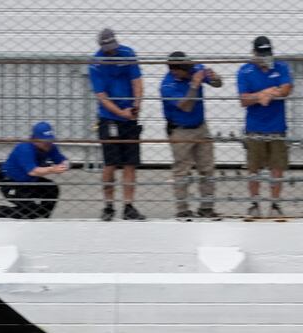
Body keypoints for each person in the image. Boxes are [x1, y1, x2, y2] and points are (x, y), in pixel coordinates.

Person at [90, 27, 145, 221]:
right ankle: (108, 206)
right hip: (109, 117)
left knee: (130, 163)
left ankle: (129, 206)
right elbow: (101, 96)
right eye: (108, 49)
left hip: (130, 116)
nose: (112, 51)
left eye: (113, 47)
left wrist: (136, 105)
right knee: (110, 163)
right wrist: (120, 112)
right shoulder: (96, 63)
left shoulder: (128, 54)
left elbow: (137, 81)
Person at [160, 51, 222, 220]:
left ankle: (206, 207)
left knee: (207, 168)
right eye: (185, 71)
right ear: (175, 71)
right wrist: (194, 85)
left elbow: (218, 84)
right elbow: (186, 106)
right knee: (182, 171)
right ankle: (182, 209)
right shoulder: (168, 85)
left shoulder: (195, 69)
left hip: (201, 126)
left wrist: (214, 77)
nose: (189, 73)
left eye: (190, 69)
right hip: (180, 130)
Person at [238, 36, 293, 219]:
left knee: (277, 167)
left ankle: (275, 203)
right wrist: (259, 95)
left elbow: (286, 89)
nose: (264, 58)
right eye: (261, 54)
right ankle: (254, 202)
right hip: (255, 126)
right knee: (254, 167)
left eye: (267, 53)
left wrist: (269, 93)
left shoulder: (281, 66)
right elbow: (244, 100)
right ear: (254, 53)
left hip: (277, 126)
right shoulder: (245, 71)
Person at [0, 121, 69, 219]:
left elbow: (63, 160)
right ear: (35, 139)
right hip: (10, 181)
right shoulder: (25, 148)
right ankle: (1, 211)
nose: (48, 143)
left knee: (52, 189)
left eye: (50, 140)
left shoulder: (50, 147)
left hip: (30, 181)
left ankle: (42, 218)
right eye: (44, 141)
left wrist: (65, 165)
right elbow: (33, 171)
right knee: (30, 211)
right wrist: (53, 169)